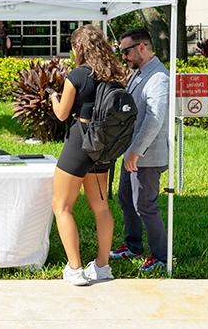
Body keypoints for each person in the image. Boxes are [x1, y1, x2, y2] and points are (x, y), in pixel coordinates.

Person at [48, 24, 128, 286]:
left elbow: (62, 114)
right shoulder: (115, 75)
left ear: (79, 48)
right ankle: (103, 266)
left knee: (61, 207)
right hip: (103, 148)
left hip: (79, 145)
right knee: (101, 207)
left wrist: (53, 98)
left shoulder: (78, 75)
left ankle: (75, 268)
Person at [110, 28, 170, 273]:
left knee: (144, 205)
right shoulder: (139, 73)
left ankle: (161, 256)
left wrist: (136, 151)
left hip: (146, 156)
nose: (124, 56)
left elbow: (154, 120)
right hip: (131, 153)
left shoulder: (159, 78)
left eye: (127, 51)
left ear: (143, 47)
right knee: (126, 199)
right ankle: (133, 246)